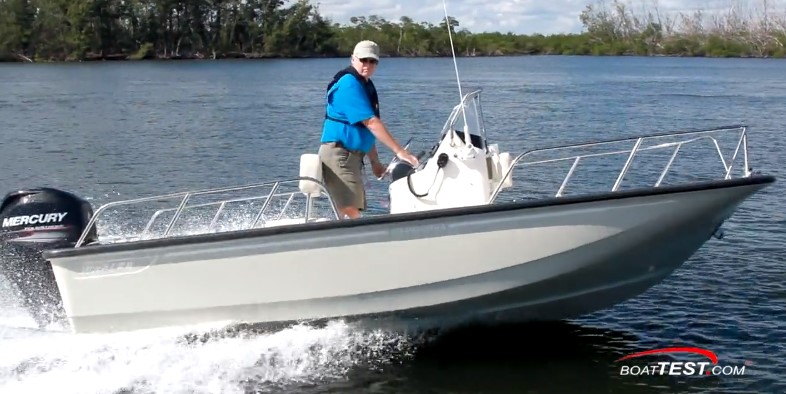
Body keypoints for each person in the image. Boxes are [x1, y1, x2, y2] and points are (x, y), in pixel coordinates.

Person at [318, 40, 419, 219]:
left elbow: (366, 129)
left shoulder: (365, 84)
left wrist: (375, 162)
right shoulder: (349, 84)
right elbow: (371, 123)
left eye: (373, 61)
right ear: (353, 59)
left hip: (353, 157)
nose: (368, 65)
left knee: (354, 208)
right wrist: (401, 152)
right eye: (363, 60)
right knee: (350, 209)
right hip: (339, 156)